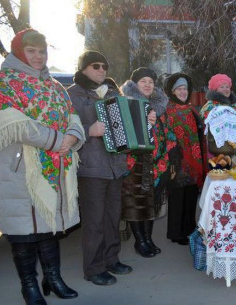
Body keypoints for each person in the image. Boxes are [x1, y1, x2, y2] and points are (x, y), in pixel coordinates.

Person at [0, 28, 83, 304]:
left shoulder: (53, 85)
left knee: (49, 226)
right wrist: (58, 140)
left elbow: (72, 115)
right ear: (19, 51)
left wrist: (72, 137)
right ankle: (29, 285)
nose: (38, 56)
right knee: (24, 231)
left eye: (42, 51)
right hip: (19, 169)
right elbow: (15, 124)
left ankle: (52, 277)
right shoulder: (1, 82)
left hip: (54, 166)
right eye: (31, 50)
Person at [67, 51, 132, 286]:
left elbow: (127, 125)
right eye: (96, 66)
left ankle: (111, 259)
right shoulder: (72, 95)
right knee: (94, 221)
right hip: (91, 166)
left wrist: (145, 122)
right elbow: (64, 128)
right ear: (83, 68)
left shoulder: (114, 93)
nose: (102, 70)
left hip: (115, 166)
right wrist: (87, 131)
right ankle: (93, 268)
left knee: (112, 217)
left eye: (104, 66)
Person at [120, 67, 167, 257]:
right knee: (135, 204)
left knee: (150, 204)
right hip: (133, 163)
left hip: (154, 163)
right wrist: (146, 123)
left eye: (150, 82)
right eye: (143, 81)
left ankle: (148, 239)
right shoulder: (126, 103)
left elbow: (165, 133)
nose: (147, 85)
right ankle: (140, 241)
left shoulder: (159, 105)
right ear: (135, 84)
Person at [161, 73, 204, 245]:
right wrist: (173, 155)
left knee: (191, 196)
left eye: (185, 88)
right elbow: (165, 135)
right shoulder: (168, 111)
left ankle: (189, 228)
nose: (183, 92)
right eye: (179, 89)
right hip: (177, 161)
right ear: (172, 92)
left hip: (194, 161)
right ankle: (176, 233)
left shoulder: (191, 109)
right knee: (178, 197)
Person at [199, 74, 236, 163]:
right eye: (221, 87)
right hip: (216, 154)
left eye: (227, 87)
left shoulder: (234, 107)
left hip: (235, 153)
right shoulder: (209, 107)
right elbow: (206, 129)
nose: (225, 89)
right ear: (215, 89)